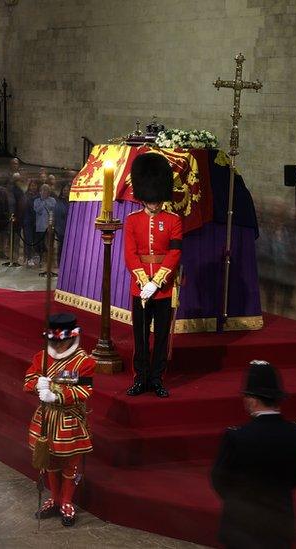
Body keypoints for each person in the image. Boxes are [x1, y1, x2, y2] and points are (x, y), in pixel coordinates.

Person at [212, 360, 296, 549]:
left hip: (241, 526)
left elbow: (219, 479)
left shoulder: (236, 437)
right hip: (280, 525)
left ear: (252, 399)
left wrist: (239, 500)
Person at [24, 313, 95, 527]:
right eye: (55, 341)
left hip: (69, 417)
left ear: (70, 339)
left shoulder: (84, 361)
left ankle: (66, 501)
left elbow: (85, 389)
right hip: (45, 417)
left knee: (69, 463)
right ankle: (54, 498)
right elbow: (28, 379)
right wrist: (38, 385)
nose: (58, 345)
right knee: (49, 462)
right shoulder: (41, 357)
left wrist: (57, 394)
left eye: (61, 341)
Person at [123, 153, 182, 398]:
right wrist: (143, 281)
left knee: (160, 337)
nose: (154, 203)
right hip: (140, 287)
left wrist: (157, 282)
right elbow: (130, 254)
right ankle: (141, 378)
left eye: (157, 199)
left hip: (164, 288)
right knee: (140, 336)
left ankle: (157, 378)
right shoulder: (132, 221)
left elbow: (175, 253)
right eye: (151, 199)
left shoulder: (173, 220)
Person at [33, 183, 57, 265]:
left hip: (49, 226)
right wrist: (43, 202)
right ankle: (41, 259)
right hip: (40, 226)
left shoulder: (53, 200)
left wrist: (46, 203)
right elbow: (37, 210)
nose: (44, 192)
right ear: (40, 192)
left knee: (50, 244)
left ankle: (50, 260)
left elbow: (53, 210)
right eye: (42, 190)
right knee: (41, 244)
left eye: (46, 190)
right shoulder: (36, 201)